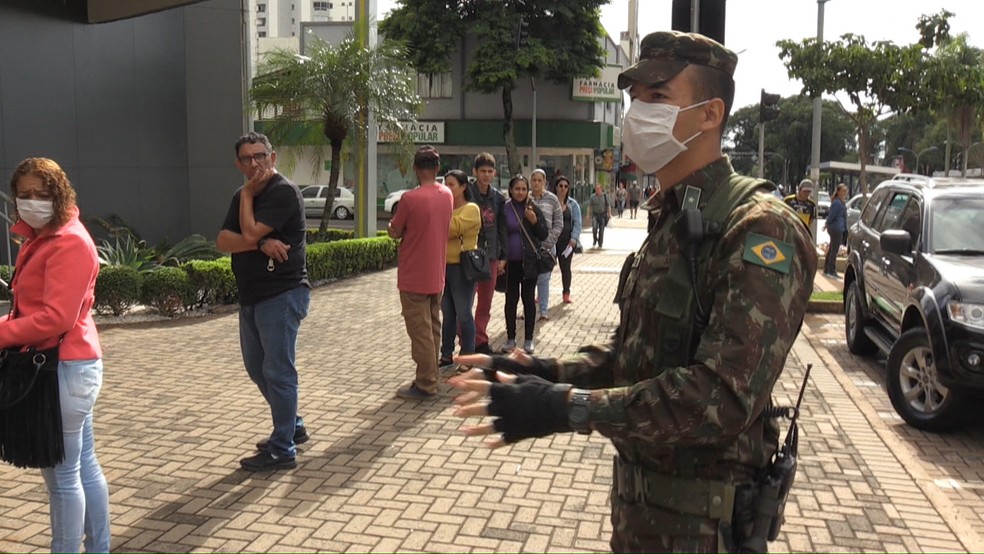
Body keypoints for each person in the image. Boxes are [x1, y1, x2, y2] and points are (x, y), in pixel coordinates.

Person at [450, 30, 817, 552]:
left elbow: (720, 397)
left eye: (659, 97)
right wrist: (544, 371)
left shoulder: (758, 229)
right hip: (642, 517)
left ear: (710, 114)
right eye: (635, 98)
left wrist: (565, 405)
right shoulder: (675, 217)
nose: (638, 112)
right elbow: (635, 355)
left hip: (704, 532)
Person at [0, 158, 110, 552]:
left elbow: (55, 318)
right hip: (68, 365)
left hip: (61, 368)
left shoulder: (67, 240)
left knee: (63, 479)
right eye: (24, 195)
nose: (32, 202)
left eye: (41, 194)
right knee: (83, 467)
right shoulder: (43, 235)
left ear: (58, 194)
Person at [217, 131, 311, 471]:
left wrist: (248, 205)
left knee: (278, 371)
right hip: (252, 296)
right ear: (238, 163)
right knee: (258, 369)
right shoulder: (242, 193)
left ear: (273, 157)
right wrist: (258, 244)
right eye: (246, 158)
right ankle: (293, 426)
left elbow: (251, 230)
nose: (254, 163)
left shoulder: (283, 191)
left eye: (260, 156)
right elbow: (225, 240)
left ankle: (283, 449)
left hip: (281, 295)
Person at [388, 145, 454, 399]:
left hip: (413, 274)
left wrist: (399, 229)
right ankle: (431, 375)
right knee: (433, 328)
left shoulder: (410, 199)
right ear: (437, 168)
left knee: (420, 332)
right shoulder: (446, 194)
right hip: (437, 273)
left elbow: (395, 229)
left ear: (416, 168)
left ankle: (426, 383)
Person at [499, 174, 548, 355]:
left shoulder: (532, 207)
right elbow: (499, 233)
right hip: (510, 263)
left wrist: (534, 220)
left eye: (523, 189)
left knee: (528, 300)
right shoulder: (505, 208)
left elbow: (543, 234)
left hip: (529, 263)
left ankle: (528, 339)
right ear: (511, 190)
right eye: (517, 189)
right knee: (510, 300)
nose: (520, 192)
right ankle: (510, 338)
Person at [439, 170, 481, 369]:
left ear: (464, 187)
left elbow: (450, 229)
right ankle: (446, 354)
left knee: (464, 313)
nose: (447, 188)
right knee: (447, 313)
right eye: (445, 183)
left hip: (462, 269)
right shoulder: (445, 209)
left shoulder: (471, 209)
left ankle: (468, 355)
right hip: (443, 267)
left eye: (452, 184)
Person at [467, 153, 507, 355]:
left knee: (485, 303)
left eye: (490, 171)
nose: (486, 175)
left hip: (491, 256)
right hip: (468, 257)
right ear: (475, 172)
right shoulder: (466, 194)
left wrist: (503, 257)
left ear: (494, 173)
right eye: (482, 171)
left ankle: (480, 341)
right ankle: (467, 341)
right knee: (465, 303)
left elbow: (502, 229)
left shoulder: (498, 198)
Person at [530, 168, 563, 321]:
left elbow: (558, 223)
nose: (536, 183)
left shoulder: (552, 199)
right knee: (528, 280)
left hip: (547, 246)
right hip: (529, 245)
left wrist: (550, 240)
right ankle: (528, 309)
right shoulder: (526, 198)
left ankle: (543, 311)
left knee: (543, 279)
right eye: (534, 180)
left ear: (545, 182)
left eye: (539, 180)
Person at [553, 175, 583, 304]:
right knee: (546, 268)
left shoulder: (573, 204)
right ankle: (542, 293)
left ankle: (566, 293)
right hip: (552, 241)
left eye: (566, 186)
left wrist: (574, 238)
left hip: (567, 242)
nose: (563, 188)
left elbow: (577, 222)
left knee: (565, 268)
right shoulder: (551, 202)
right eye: (561, 186)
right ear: (556, 187)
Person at [823, 182, 849, 278]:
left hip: (839, 227)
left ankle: (827, 269)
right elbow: (831, 215)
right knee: (834, 250)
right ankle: (831, 270)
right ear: (838, 192)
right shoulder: (837, 203)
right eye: (843, 191)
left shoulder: (841, 202)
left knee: (832, 248)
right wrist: (826, 224)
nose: (845, 193)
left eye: (846, 191)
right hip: (836, 228)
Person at [587, 184, 611, 248]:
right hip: (595, 215)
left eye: (598, 188)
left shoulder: (605, 196)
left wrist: (609, 213)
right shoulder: (592, 197)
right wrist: (588, 215)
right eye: (596, 189)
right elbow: (589, 206)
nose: (597, 190)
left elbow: (608, 205)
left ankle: (600, 243)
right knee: (594, 228)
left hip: (603, 215)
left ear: (601, 189)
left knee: (601, 230)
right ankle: (595, 239)